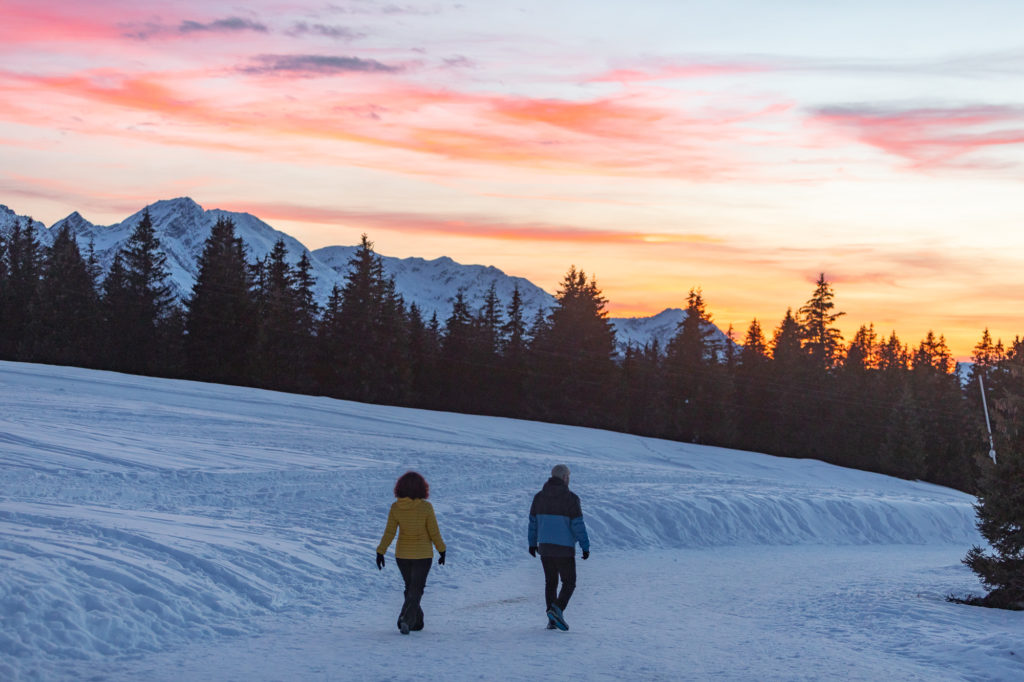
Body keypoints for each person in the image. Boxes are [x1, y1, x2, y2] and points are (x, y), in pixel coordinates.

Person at [376, 471, 446, 634]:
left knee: (410, 588)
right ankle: (405, 619)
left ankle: (417, 623)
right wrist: (441, 550)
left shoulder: (396, 507)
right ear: (422, 488)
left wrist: (381, 551)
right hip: (423, 555)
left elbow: (389, 532)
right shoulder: (426, 507)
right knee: (416, 588)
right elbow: (434, 532)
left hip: (403, 555)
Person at [528, 464, 590, 631]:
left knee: (551, 582)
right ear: (564, 478)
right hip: (564, 549)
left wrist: (532, 543)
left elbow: (533, 522)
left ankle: (552, 620)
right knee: (569, 582)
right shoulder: (571, 498)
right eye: (568, 476)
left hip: (545, 548)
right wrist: (585, 546)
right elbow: (578, 525)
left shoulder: (539, 497)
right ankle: (557, 610)